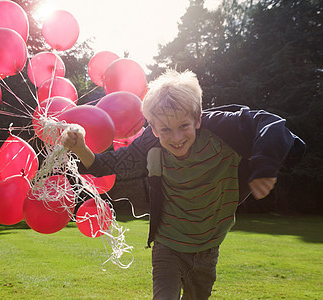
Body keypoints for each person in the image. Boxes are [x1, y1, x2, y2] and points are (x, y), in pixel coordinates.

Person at [62, 69, 305, 299]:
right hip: (168, 246)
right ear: (154, 129)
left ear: (197, 119)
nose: (176, 138)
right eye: (166, 130)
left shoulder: (223, 132)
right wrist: (80, 147)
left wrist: (264, 166)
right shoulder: (150, 143)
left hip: (208, 250)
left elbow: (269, 124)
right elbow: (108, 165)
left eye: (184, 127)